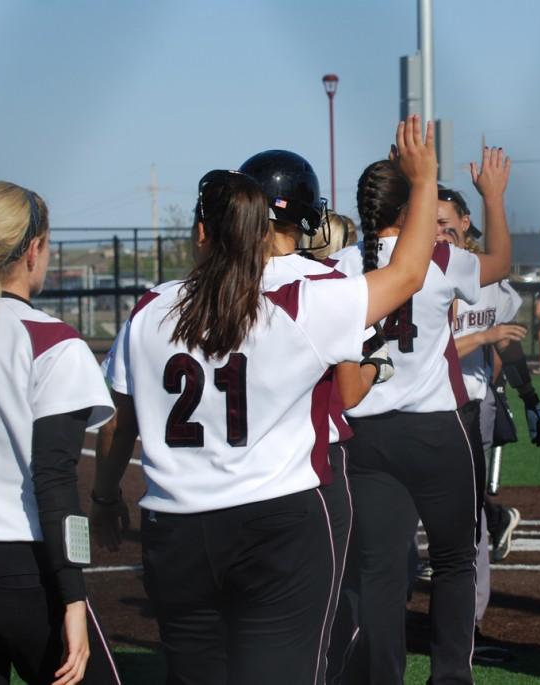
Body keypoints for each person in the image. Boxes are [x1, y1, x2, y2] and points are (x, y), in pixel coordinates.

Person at [91, 115, 440, 685]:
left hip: (174, 529)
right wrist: (423, 181)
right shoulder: (301, 300)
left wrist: (105, 498)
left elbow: (116, 426)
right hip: (277, 522)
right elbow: (407, 274)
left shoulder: (150, 308)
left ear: (203, 233)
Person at [330, 146, 512, 685]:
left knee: (379, 575)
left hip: (366, 437)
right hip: (437, 429)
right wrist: (494, 198)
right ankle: (450, 678)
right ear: (410, 210)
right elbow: (500, 262)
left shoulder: (337, 267)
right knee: (455, 562)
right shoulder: (437, 259)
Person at [0, 181, 121, 685]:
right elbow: (55, 482)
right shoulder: (51, 342)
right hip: (23, 566)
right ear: (33, 250)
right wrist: (74, 596)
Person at [238, 149, 388, 683]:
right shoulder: (323, 285)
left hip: (225, 475)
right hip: (311, 467)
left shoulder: (204, 286)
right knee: (323, 609)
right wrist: (380, 368)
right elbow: (347, 393)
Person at [437, 184, 540, 662]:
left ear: (466, 223)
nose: (440, 231)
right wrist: (484, 336)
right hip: (416, 408)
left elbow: (507, 346)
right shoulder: (411, 274)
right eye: (431, 223)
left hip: (470, 407)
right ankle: (386, 611)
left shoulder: (491, 280)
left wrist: (529, 398)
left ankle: (470, 623)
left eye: (447, 223)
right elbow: (437, 350)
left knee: (468, 522)